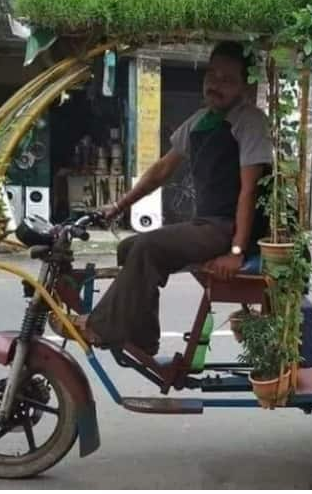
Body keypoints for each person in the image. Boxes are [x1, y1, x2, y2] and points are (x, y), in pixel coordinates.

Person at [71, 41, 272, 356]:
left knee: (149, 247)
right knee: (129, 246)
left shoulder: (250, 121)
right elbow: (162, 169)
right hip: (207, 223)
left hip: (228, 227)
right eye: (212, 75)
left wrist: (236, 251)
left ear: (245, 86)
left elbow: (250, 189)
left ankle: (101, 326)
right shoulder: (200, 120)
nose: (215, 84)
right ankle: (143, 336)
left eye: (227, 79)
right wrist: (118, 207)